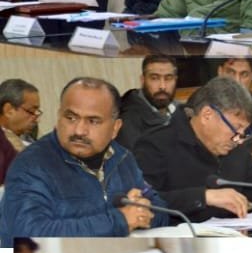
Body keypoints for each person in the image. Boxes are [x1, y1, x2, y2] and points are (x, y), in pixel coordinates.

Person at [0, 76, 167, 241]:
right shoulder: (31, 165)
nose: (79, 131)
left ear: (115, 128)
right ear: (59, 117)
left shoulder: (122, 158)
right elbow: (29, 234)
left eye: (93, 121)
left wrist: (142, 212)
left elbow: (160, 208)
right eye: (71, 118)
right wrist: (120, 220)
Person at [130, 75, 252, 224]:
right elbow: (142, 201)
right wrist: (204, 197)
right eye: (236, 128)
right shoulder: (155, 145)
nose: (238, 139)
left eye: (244, 132)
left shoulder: (235, 149)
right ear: (207, 115)